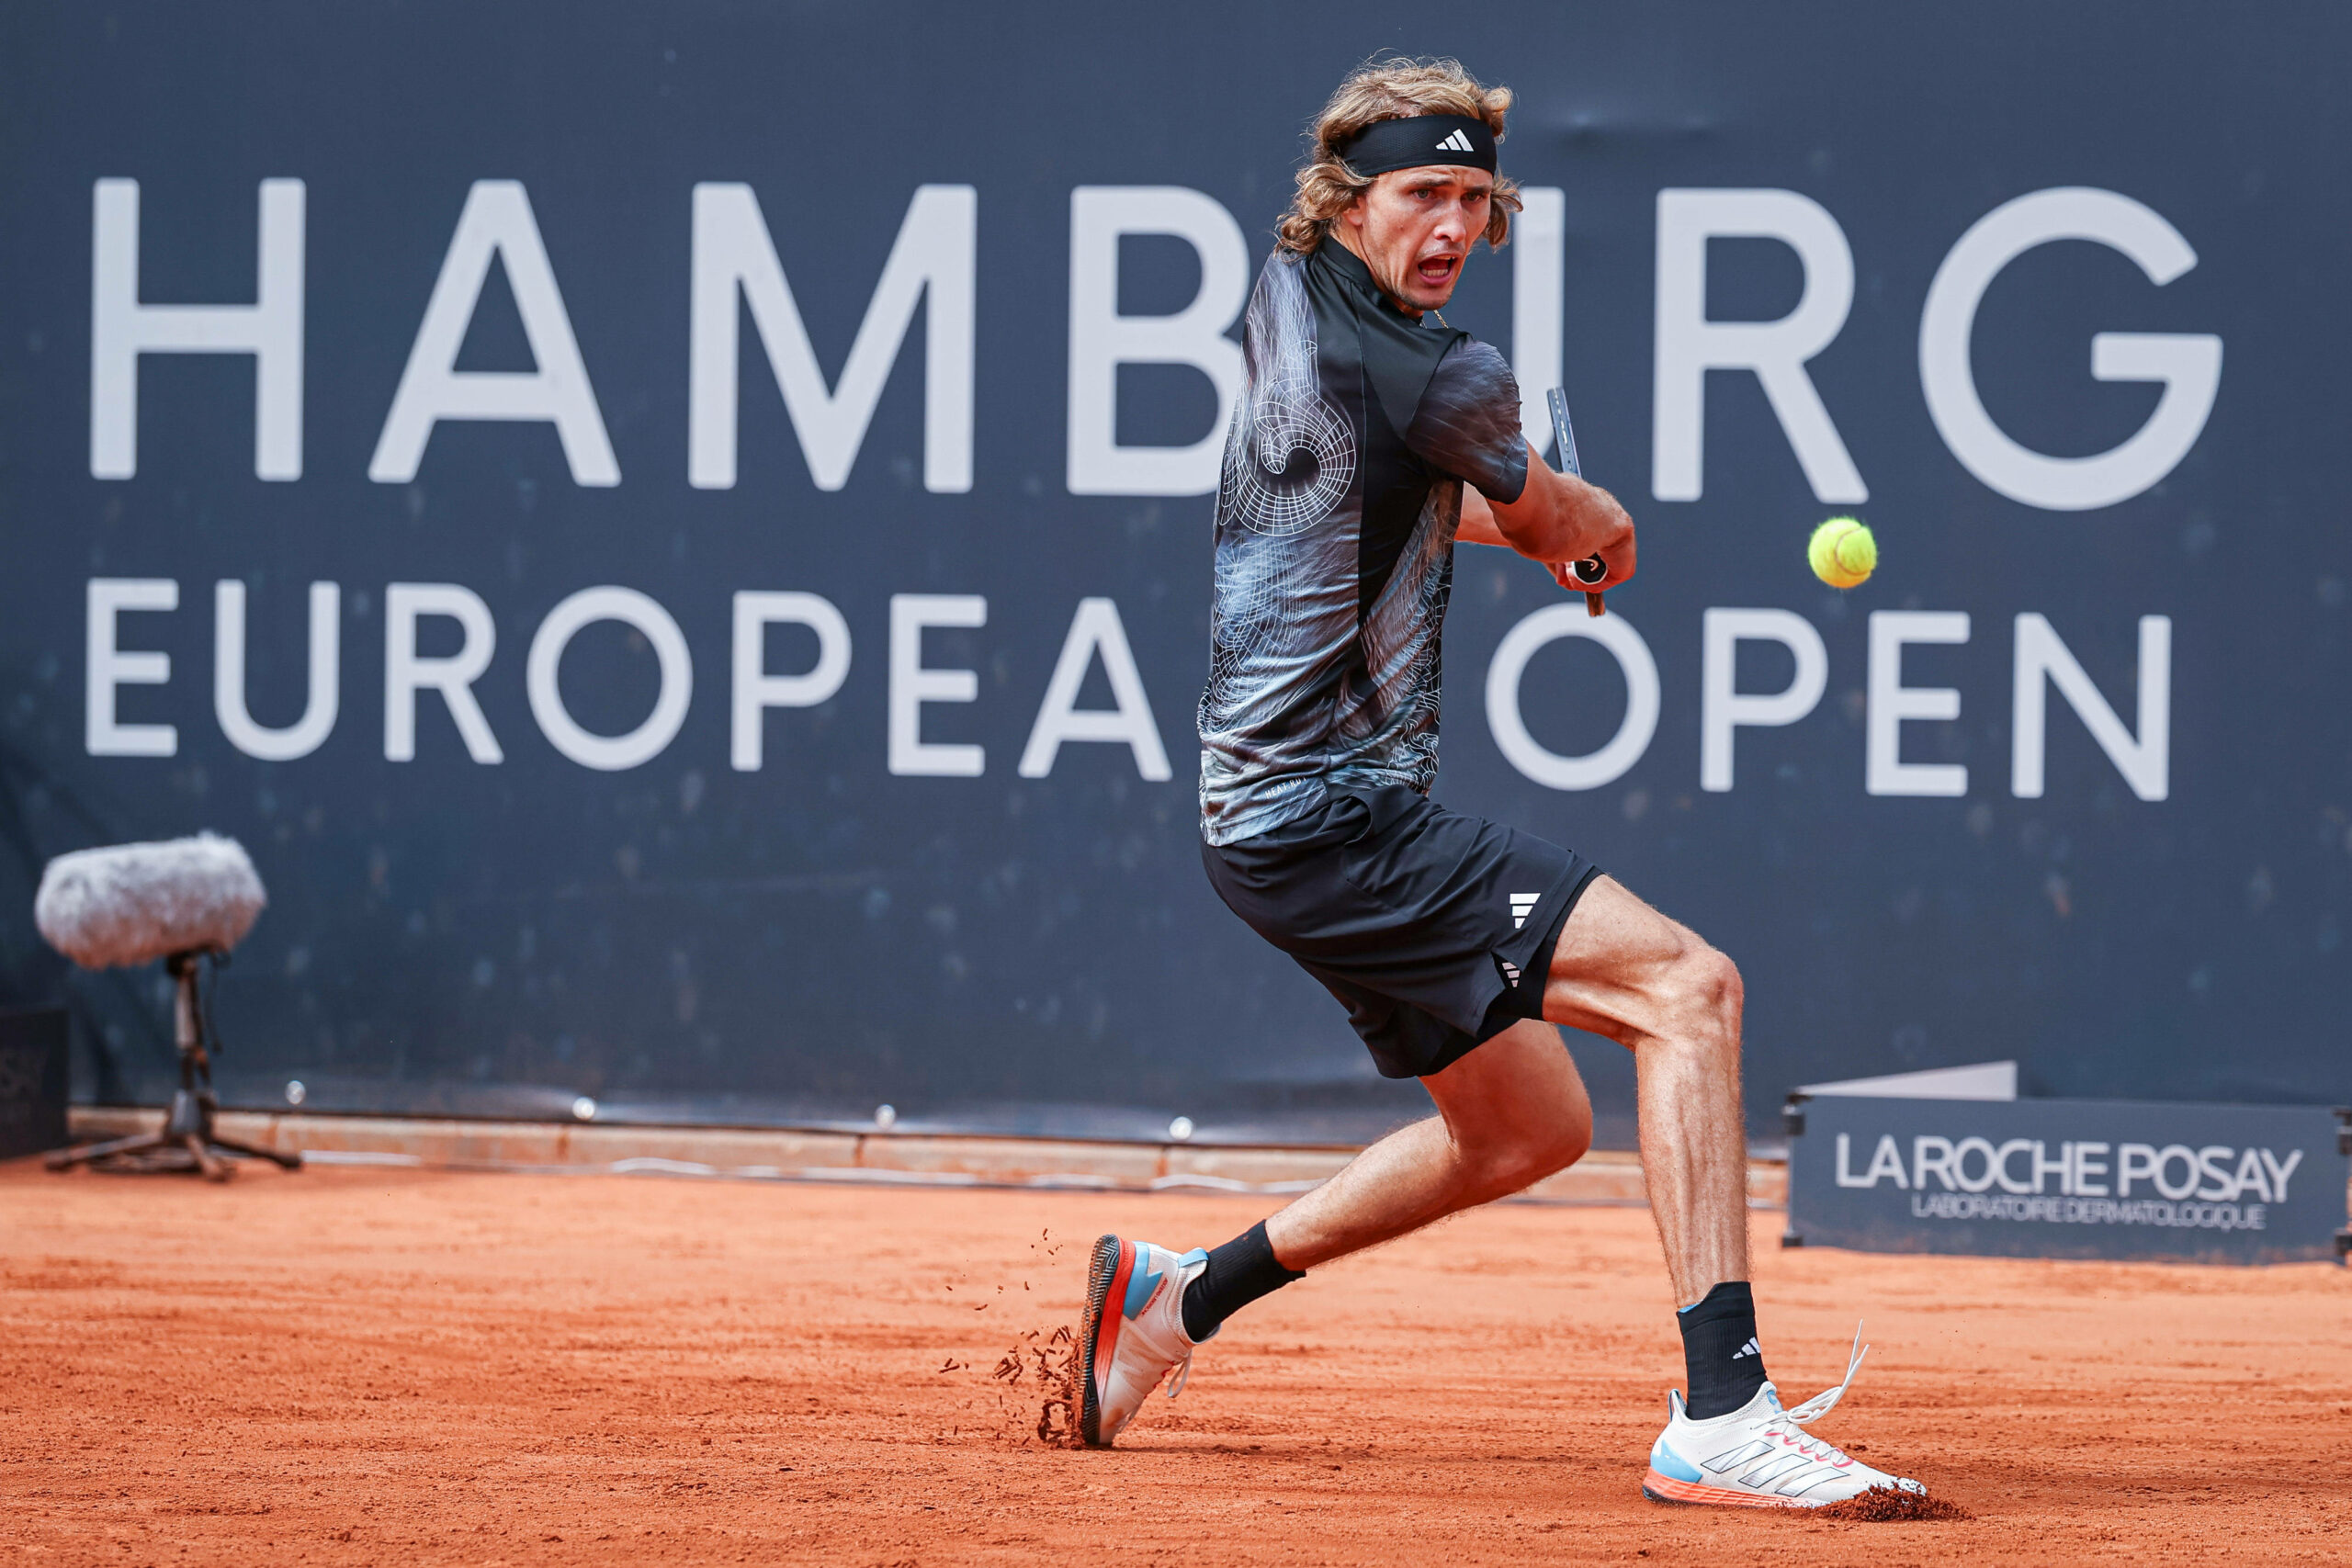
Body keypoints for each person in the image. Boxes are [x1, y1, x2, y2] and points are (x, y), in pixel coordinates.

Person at [1077, 56, 1923, 1509]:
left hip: (1274, 826)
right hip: (1330, 820)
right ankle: (1723, 1413)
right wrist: (1588, 529)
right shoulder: (1439, 369)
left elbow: (1396, 495)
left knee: (1528, 1130)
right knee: (1688, 989)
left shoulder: (1292, 298)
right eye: (1422, 194)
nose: (1454, 224)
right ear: (1348, 206)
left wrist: (1510, 502)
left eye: (1475, 197)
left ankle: (1170, 1304)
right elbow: (1557, 525)